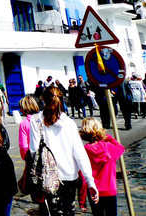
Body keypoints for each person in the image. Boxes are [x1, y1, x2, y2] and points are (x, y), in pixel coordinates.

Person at [29, 86, 99, 215]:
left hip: (47, 177)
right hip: (69, 174)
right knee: (68, 211)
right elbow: (80, 154)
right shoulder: (69, 123)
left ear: (43, 100)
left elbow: (33, 150)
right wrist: (90, 181)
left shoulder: (36, 120)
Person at [80, 118, 125, 216]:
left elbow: (83, 176)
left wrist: (82, 199)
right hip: (110, 189)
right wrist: (107, 137)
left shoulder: (84, 151)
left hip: (93, 189)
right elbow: (121, 148)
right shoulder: (109, 147)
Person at [18, 96, 41, 160]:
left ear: (26, 108)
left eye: (21, 108)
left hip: (32, 156)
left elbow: (23, 146)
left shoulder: (24, 124)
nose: (20, 110)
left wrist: (26, 158)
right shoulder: (42, 119)